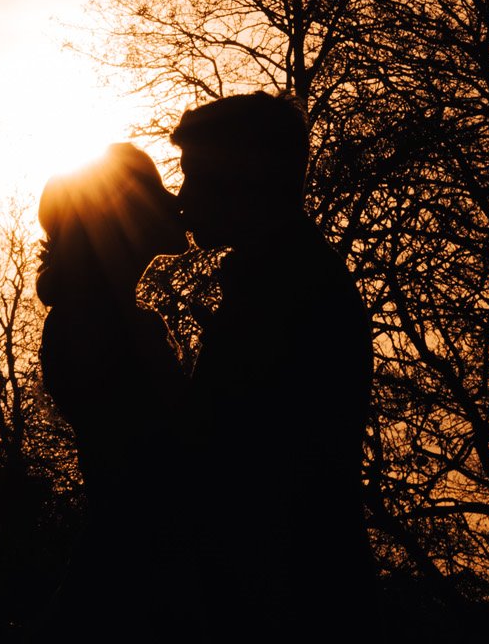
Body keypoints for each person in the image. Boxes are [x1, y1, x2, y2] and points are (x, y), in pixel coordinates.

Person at [170, 91, 377, 632]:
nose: (182, 200)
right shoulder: (279, 279)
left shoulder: (286, 293)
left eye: (195, 175)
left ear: (244, 176)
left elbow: (243, 470)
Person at [35, 142, 190, 632]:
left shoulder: (94, 315)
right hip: (135, 572)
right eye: (151, 191)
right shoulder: (100, 324)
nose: (175, 204)